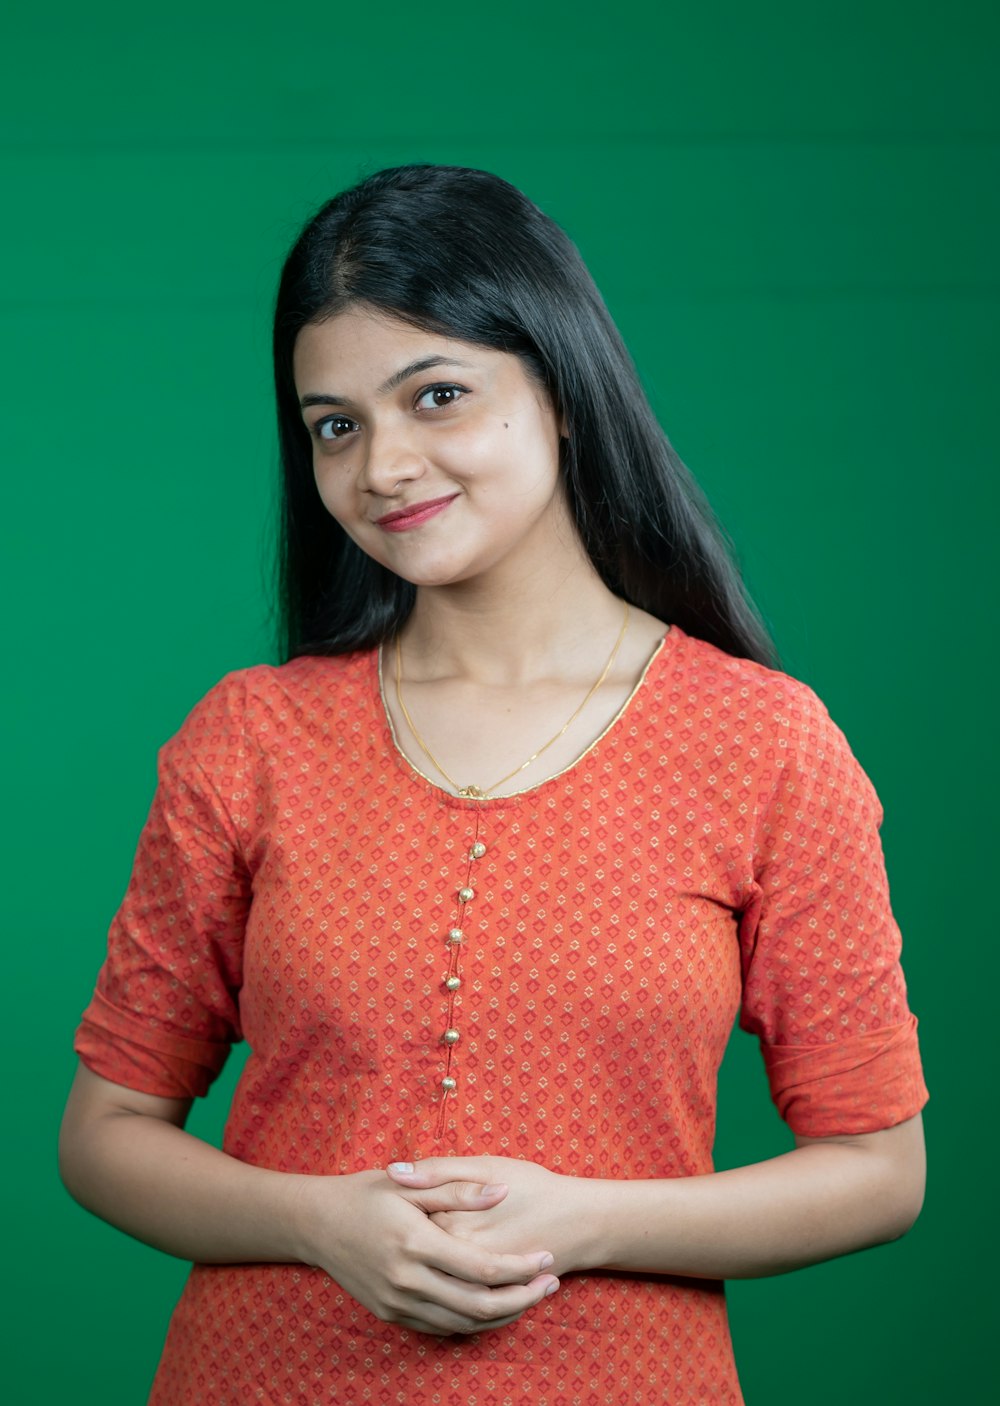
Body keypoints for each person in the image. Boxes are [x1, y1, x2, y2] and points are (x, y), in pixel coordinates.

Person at [60, 164, 928, 1405]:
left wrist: (581, 1219)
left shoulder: (764, 744)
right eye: (336, 425)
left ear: (565, 392)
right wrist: (322, 1221)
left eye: (439, 396)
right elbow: (102, 1138)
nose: (384, 465)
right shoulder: (250, 737)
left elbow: (878, 1169)